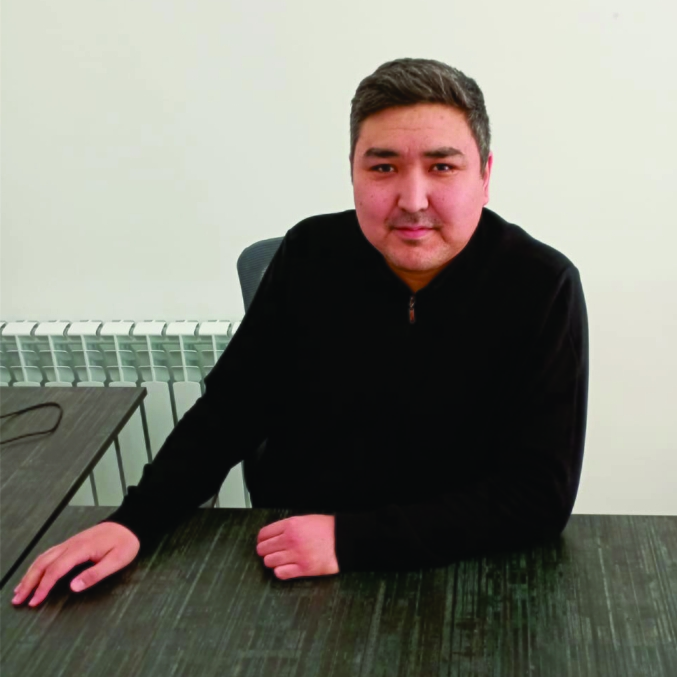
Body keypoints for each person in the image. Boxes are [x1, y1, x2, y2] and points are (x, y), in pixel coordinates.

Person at [12, 57, 589, 607]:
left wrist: (352, 541)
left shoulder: (542, 285)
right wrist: (133, 521)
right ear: (353, 173)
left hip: (465, 564)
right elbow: (229, 413)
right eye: (383, 167)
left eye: (442, 167)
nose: (413, 201)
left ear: (485, 176)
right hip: (295, 557)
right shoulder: (311, 254)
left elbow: (538, 496)